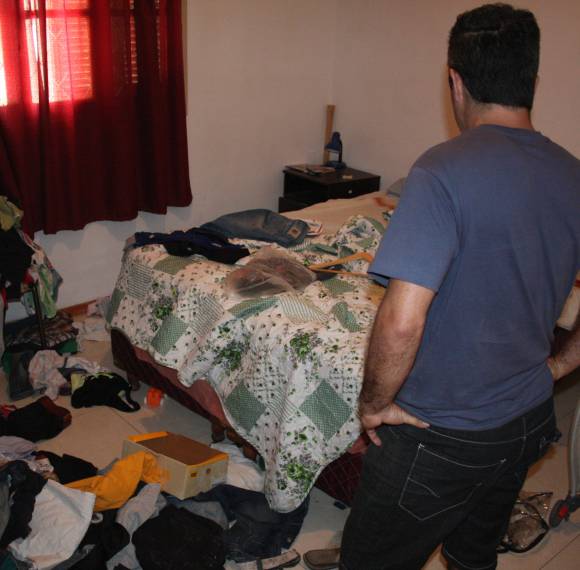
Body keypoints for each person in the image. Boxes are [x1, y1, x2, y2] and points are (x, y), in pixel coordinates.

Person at [336, 4, 580, 570]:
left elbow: (402, 319)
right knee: (472, 557)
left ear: (456, 81)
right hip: (526, 421)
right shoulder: (572, 174)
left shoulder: (440, 171)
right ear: (532, 82)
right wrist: (560, 366)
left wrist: (373, 405)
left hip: (441, 436)